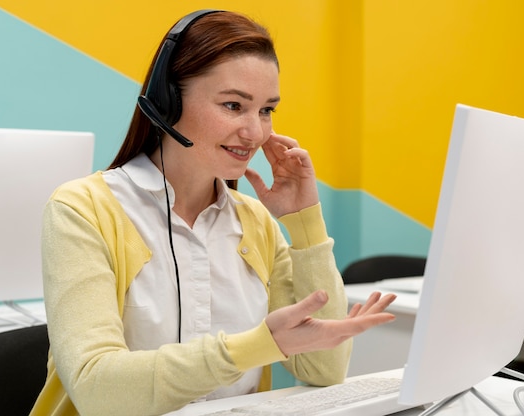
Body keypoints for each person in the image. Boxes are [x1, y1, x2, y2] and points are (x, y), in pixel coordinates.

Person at [30, 9, 397, 416]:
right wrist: (258, 345)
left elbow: (323, 371)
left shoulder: (255, 223)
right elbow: (96, 389)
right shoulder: (84, 211)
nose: (255, 132)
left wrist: (305, 222)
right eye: (233, 105)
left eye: (265, 110)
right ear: (168, 100)